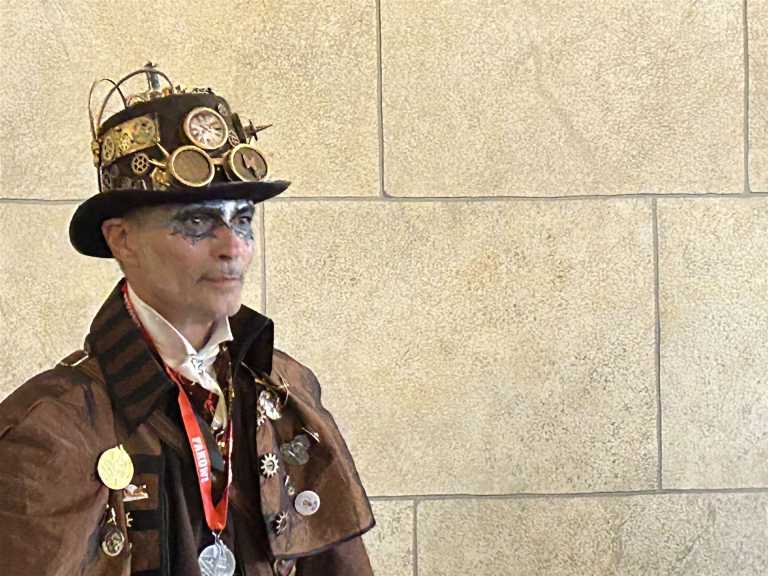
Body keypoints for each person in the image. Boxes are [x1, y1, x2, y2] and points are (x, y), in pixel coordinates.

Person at [0, 64, 375, 576]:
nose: (234, 247)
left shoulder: (287, 388)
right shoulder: (52, 427)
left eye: (243, 219)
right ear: (122, 240)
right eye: (197, 221)